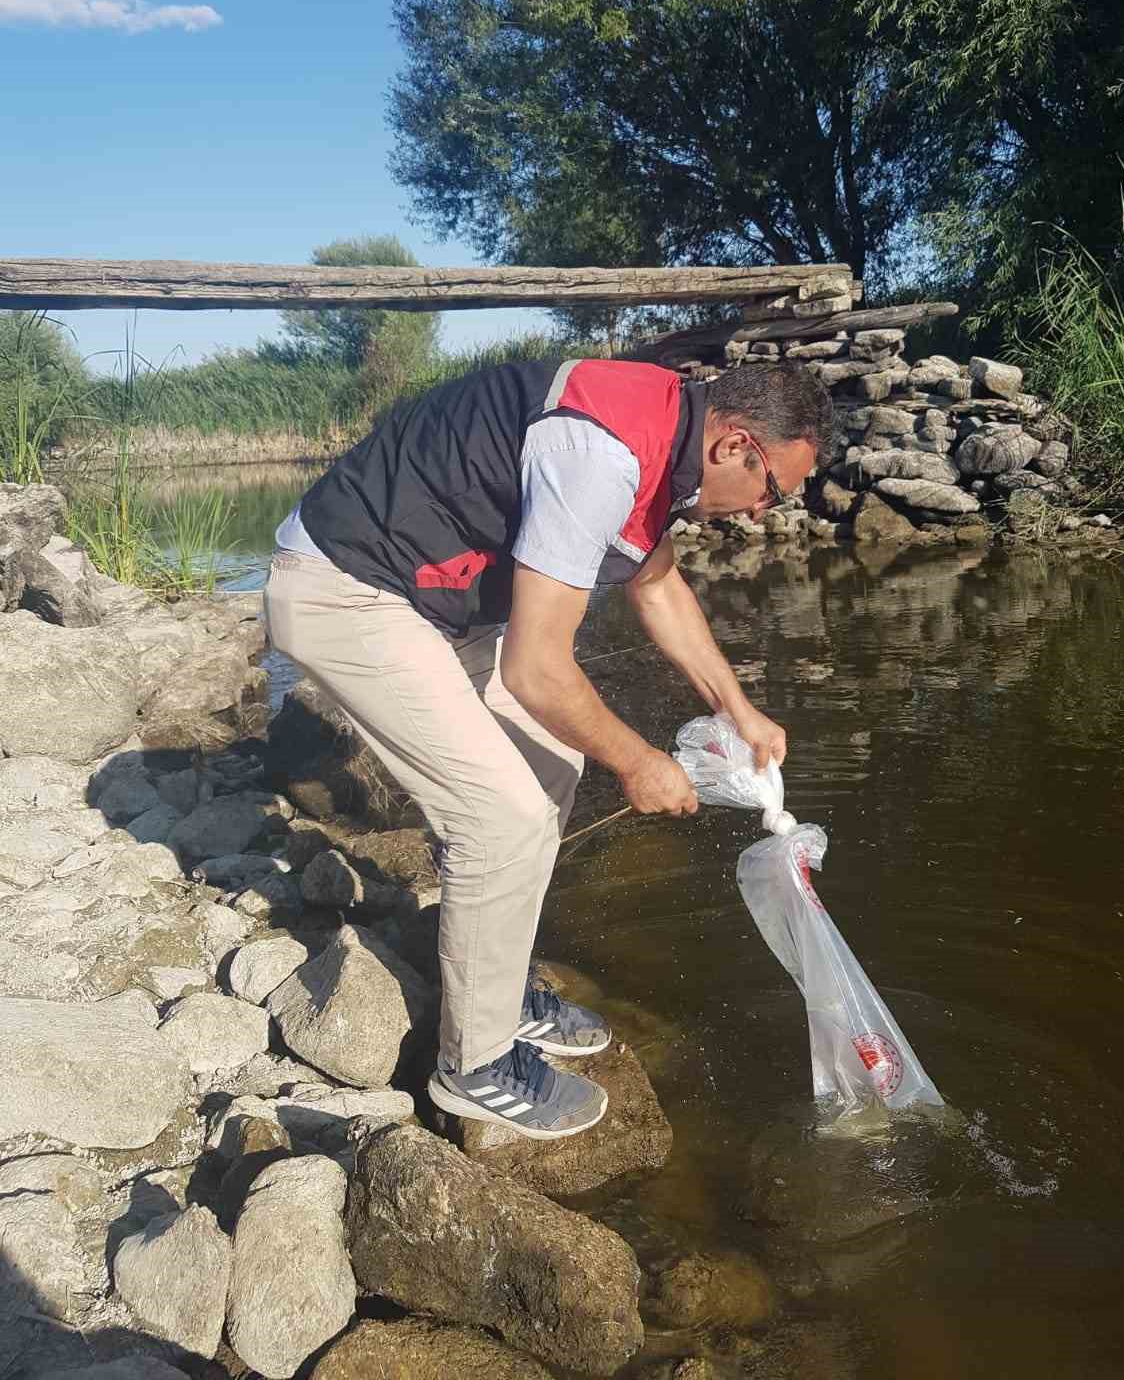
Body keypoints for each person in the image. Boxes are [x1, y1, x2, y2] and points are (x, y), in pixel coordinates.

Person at [264, 353, 833, 1140]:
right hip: (347, 587)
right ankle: (474, 1067)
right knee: (501, 819)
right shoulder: (602, 452)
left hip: (429, 601)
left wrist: (738, 709)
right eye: (773, 488)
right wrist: (637, 760)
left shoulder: (669, 433)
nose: (765, 510)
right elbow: (534, 666)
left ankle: (495, 986)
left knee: (550, 762)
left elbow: (657, 583)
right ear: (734, 444)